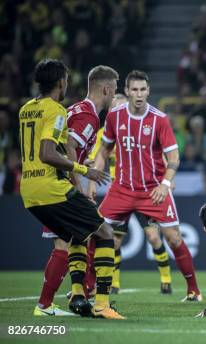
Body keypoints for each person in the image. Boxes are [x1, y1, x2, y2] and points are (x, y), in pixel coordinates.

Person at [20, 58, 124, 319]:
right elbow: (64, 149)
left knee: (70, 241)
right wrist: (81, 175)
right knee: (104, 232)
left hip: (30, 185)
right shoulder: (82, 114)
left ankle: (66, 299)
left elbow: (62, 146)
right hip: (53, 185)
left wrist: (81, 163)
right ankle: (100, 304)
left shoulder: (28, 109)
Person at [90, 70, 201, 301]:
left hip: (153, 191)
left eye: (143, 89)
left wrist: (166, 184)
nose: (139, 94)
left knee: (174, 239)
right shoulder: (115, 117)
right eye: (135, 90)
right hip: (121, 189)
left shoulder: (160, 119)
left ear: (148, 91)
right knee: (95, 232)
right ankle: (88, 287)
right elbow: (104, 151)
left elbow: (174, 158)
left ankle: (193, 290)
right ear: (128, 91)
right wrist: (93, 179)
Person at [87, 93, 173, 295]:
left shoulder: (143, 128)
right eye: (115, 107)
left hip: (145, 191)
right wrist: (91, 179)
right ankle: (114, 283)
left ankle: (166, 279)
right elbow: (96, 159)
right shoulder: (105, 134)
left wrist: (168, 179)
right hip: (120, 192)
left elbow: (161, 152)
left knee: (153, 237)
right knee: (114, 240)